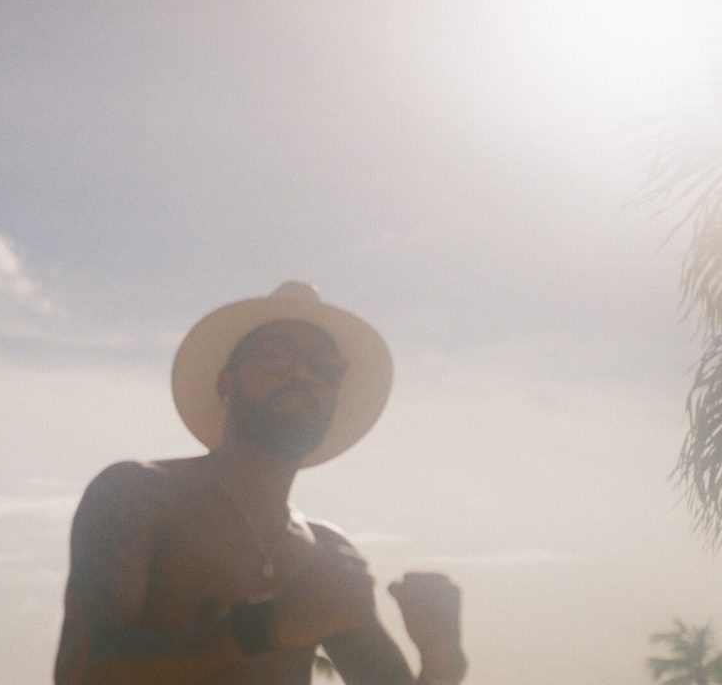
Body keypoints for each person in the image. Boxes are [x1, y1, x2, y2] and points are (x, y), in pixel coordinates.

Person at [54, 282, 468, 685]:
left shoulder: (327, 552)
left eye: (325, 368)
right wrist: (268, 625)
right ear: (226, 382)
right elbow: (79, 673)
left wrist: (441, 663)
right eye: (276, 355)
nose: (302, 373)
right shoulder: (139, 495)